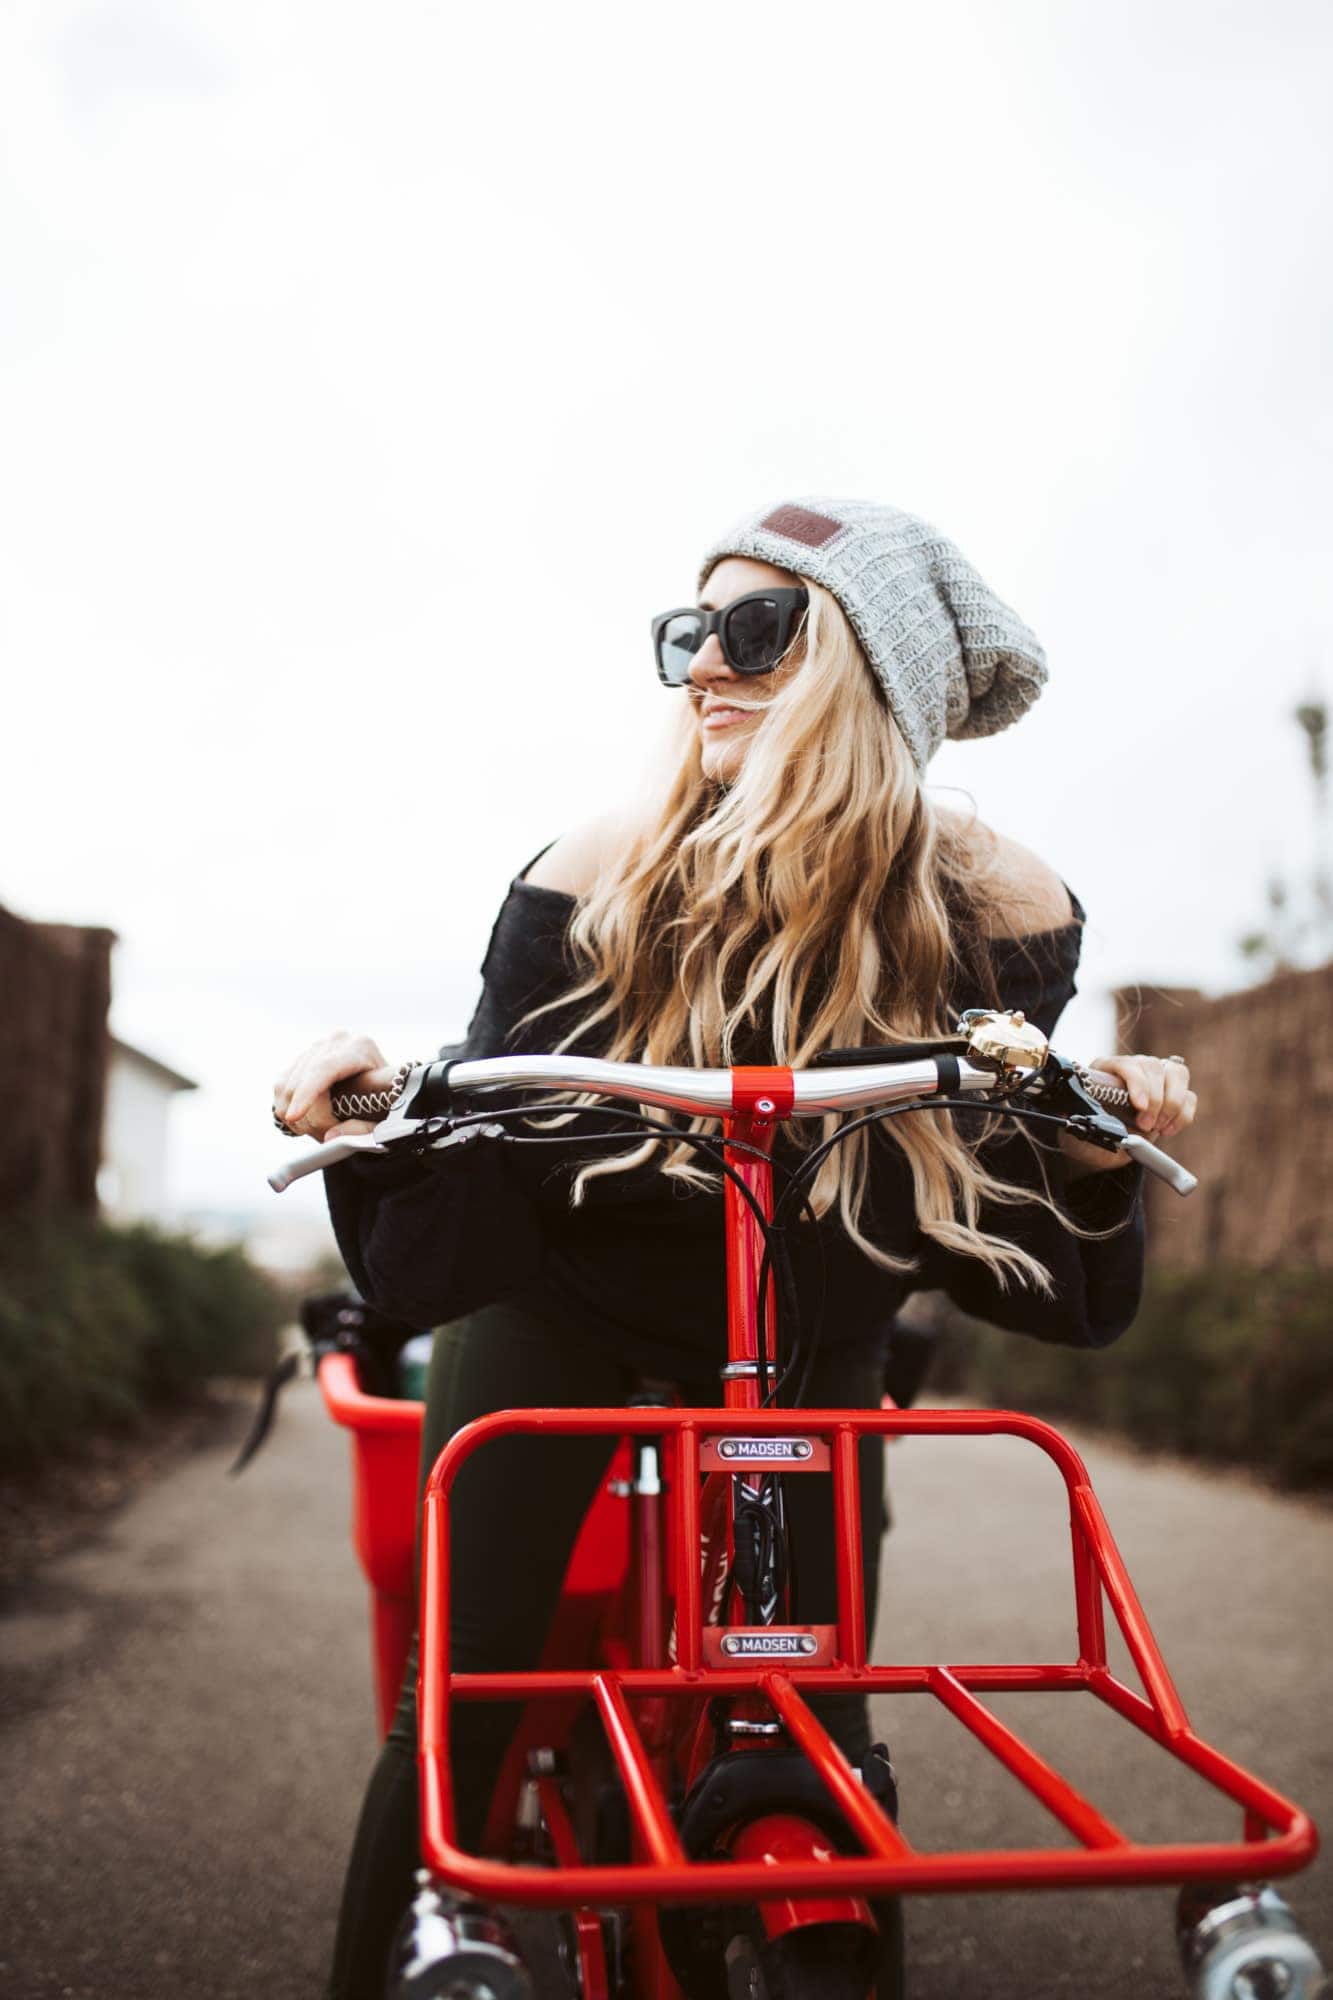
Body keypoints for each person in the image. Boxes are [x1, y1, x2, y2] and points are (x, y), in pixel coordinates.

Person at [273, 497, 1197, 1998]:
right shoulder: (598, 869)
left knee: (819, 1718)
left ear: (867, 667)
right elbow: (486, 1103)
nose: (702, 664)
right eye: (683, 633)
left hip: (810, 1320)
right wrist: (369, 1091)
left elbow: (1000, 1130)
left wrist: (1095, 1125)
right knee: (461, 1701)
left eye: (754, 630)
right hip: (566, 1296)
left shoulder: (1004, 901)